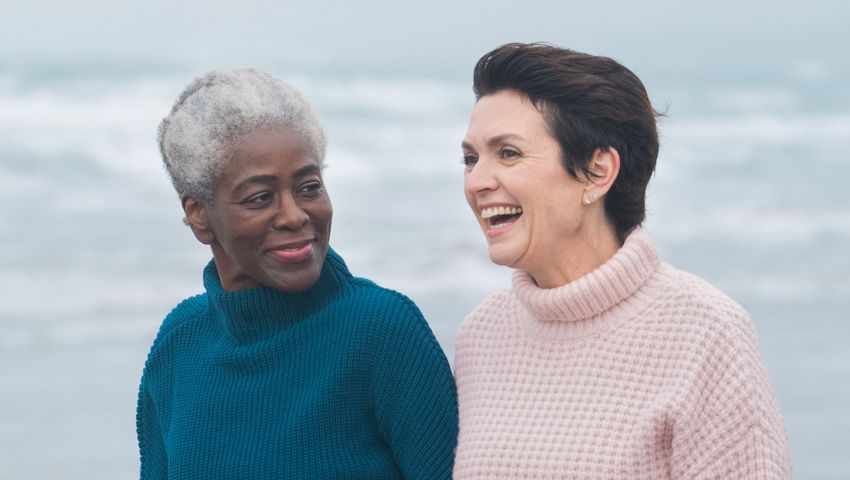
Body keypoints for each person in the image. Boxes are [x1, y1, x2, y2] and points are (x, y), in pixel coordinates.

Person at [454, 43, 792, 479]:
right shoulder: (482, 335)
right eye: (469, 159)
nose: (477, 181)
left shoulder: (706, 333)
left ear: (598, 171)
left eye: (509, 153)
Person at [136, 69, 457, 479]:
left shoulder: (381, 330)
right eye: (260, 198)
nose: (295, 215)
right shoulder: (180, 344)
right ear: (199, 215)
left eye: (309, 187)